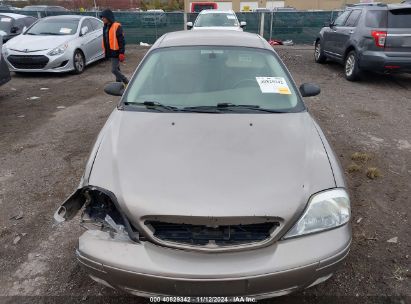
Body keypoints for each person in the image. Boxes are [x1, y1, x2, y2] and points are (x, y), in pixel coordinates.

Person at [100, 9, 129, 85]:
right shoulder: (105, 27)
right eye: (101, 17)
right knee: (117, 68)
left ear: (108, 17)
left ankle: (126, 81)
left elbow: (121, 41)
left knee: (114, 70)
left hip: (116, 52)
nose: (102, 19)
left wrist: (121, 53)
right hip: (110, 51)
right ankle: (118, 83)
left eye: (103, 17)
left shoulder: (117, 26)